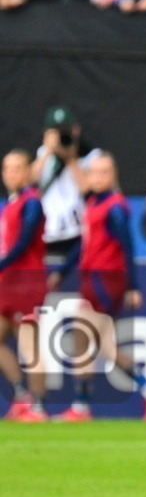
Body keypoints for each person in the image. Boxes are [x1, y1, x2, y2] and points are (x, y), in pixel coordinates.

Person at [48, 151, 146, 422]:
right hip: (91, 279)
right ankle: (144, 391)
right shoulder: (93, 203)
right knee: (98, 342)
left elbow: (127, 248)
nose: (98, 177)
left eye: (104, 172)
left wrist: (132, 286)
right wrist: (63, 270)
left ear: (112, 175)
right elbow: (84, 243)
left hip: (106, 280)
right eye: (94, 172)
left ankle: (87, 404)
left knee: (88, 338)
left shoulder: (115, 206)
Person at [0, 149, 48, 422]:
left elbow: (23, 243)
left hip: (25, 281)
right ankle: (22, 394)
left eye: (17, 168)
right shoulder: (12, 202)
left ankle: (38, 405)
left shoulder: (31, 203)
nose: (11, 173)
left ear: (28, 171)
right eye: (7, 168)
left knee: (29, 345)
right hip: (8, 281)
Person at [31, 105, 102, 260]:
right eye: (55, 131)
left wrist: (70, 159)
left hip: (77, 229)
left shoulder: (89, 155)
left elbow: (86, 188)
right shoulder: (43, 154)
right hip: (48, 230)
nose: (61, 136)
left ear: (76, 130)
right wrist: (49, 150)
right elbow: (31, 180)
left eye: (65, 130)